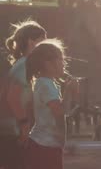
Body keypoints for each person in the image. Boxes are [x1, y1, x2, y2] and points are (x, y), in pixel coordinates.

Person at [0, 21, 47, 169]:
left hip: (11, 129)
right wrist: (25, 125)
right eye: (42, 41)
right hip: (12, 130)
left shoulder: (23, 63)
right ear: (30, 41)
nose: (45, 47)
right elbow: (13, 98)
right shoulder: (25, 64)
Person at [24, 39, 76, 169]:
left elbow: (62, 111)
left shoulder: (44, 83)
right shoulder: (46, 85)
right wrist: (69, 91)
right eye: (60, 60)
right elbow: (59, 112)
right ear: (48, 64)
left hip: (42, 143)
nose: (64, 64)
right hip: (45, 146)